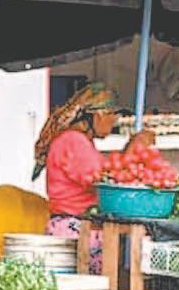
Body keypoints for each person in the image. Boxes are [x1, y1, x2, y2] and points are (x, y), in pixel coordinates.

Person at [35, 84, 157, 228]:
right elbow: (106, 180)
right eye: (114, 114)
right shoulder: (73, 141)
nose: (115, 120)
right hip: (74, 225)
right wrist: (133, 148)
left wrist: (130, 148)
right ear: (99, 115)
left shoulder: (79, 141)